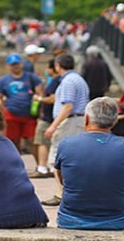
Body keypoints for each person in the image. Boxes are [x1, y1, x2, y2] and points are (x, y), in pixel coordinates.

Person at [54, 97, 124, 230]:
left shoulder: (66, 144)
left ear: (86, 119)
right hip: (115, 220)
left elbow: (62, 178)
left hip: (71, 220)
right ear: (115, 122)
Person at [42, 53, 89, 207]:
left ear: (58, 66)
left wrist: (53, 126)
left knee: (59, 157)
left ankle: (61, 193)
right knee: (76, 157)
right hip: (78, 121)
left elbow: (67, 106)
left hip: (69, 122)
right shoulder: (79, 79)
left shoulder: (68, 81)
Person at [0, 54, 43, 158]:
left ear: (21, 64)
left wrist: (39, 108)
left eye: (17, 64)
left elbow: (40, 93)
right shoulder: (3, 80)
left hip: (29, 114)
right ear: (8, 66)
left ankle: (40, 166)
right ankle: (17, 163)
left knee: (33, 139)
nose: (16, 66)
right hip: (12, 113)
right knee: (13, 141)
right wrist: (3, 110)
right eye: (13, 65)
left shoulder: (31, 76)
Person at [30, 58, 59, 179]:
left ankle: (42, 168)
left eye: (47, 68)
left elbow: (53, 98)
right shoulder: (56, 80)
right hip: (49, 116)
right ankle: (47, 167)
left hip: (49, 118)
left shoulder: (55, 81)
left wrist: (39, 99)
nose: (46, 70)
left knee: (42, 141)